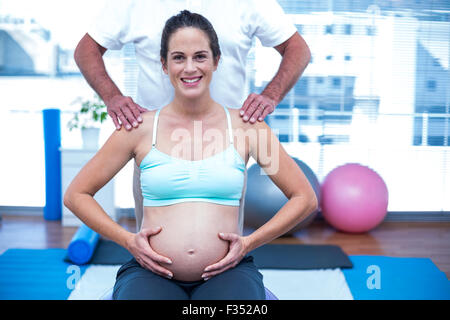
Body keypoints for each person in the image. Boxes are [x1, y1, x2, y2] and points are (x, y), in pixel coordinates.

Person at [65, 10, 318, 299]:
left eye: (200, 56)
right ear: (163, 64)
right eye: (178, 58)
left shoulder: (250, 130)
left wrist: (249, 243)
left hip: (229, 272)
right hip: (150, 272)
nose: (189, 68)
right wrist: (127, 241)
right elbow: (77, 194)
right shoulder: (138, 129)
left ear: (216, 61)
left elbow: (304, 198)